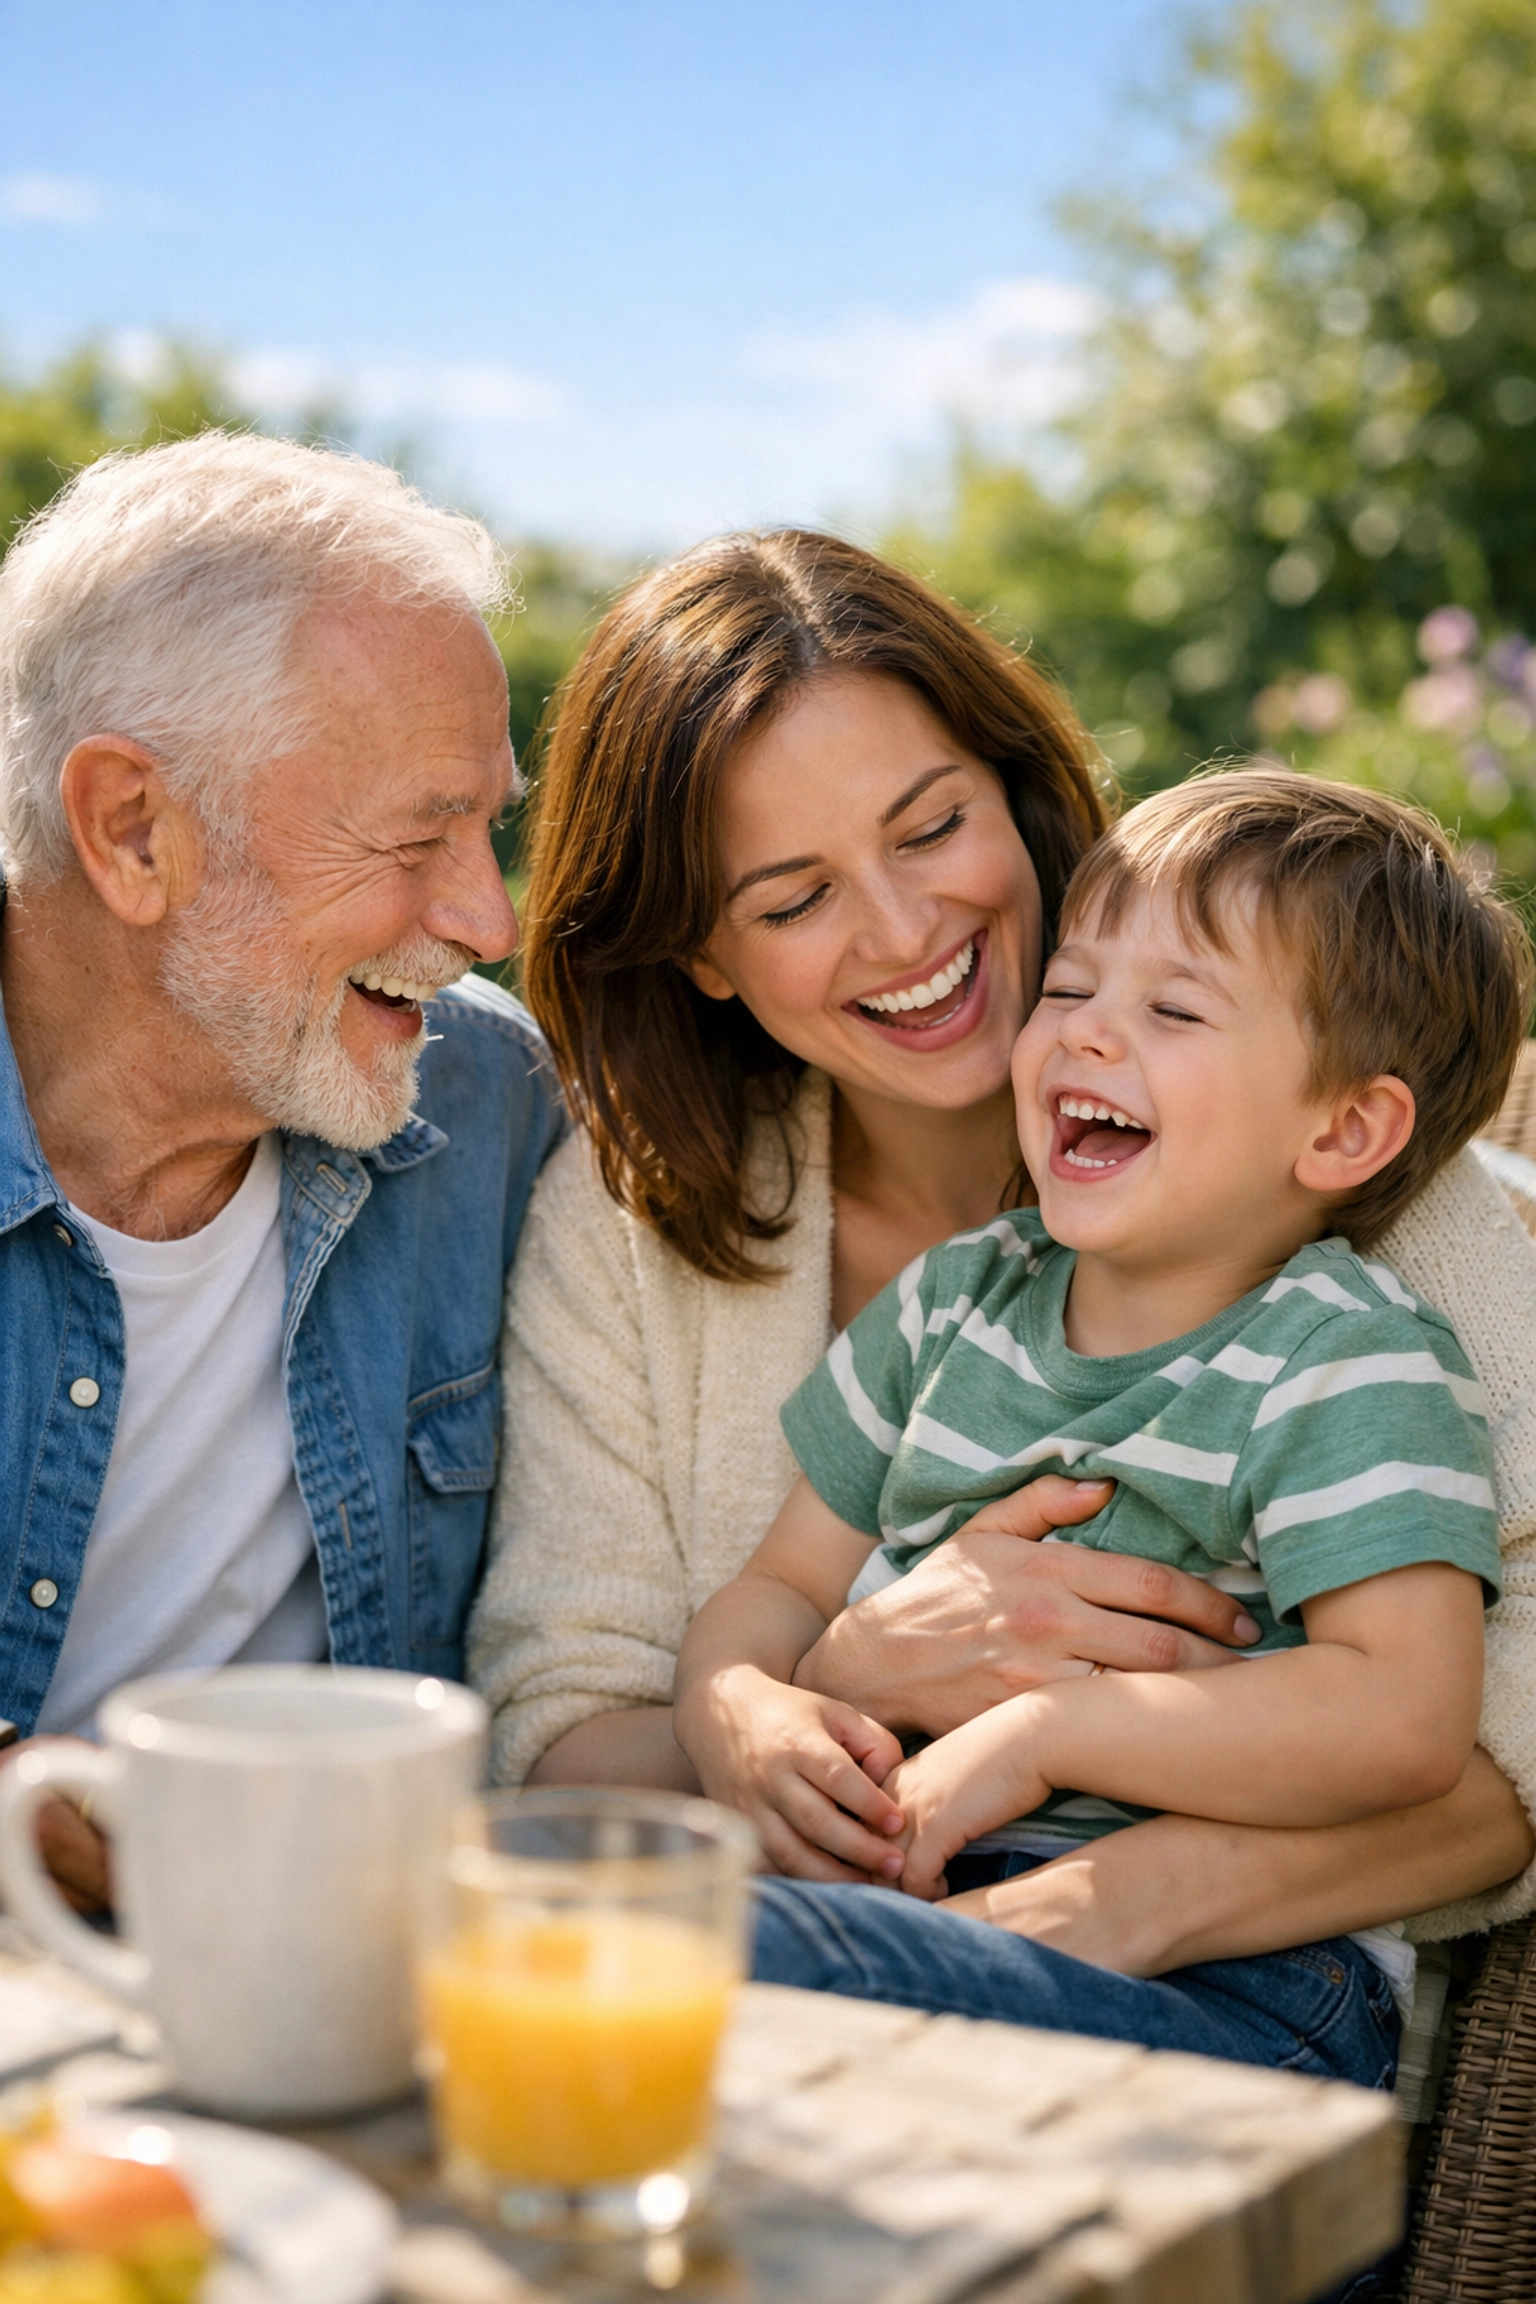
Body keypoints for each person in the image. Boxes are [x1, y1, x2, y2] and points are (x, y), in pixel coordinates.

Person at [468, 528, 1536, 1992]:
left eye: (927, 828)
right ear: (704, 955)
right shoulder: (741, 1254)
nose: (905, 929)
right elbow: (564, 1739)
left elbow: (1479, 1709)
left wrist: (1126, 1877)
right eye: (792, 900)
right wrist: (817, 1686)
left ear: (1016, 797)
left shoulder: (1336, 1200)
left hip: (1221, 1987)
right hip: (876, 1914)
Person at [675, 770, 1527, 2088]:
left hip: (1243, 1992)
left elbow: (1405, 1719)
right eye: (1069, 989)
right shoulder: (955, 1305)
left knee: (726, 1971)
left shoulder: (1342, 1360)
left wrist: (1047, 1734)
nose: (1084, 1035)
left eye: (1174, 1009)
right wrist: (742, 1711)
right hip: (912, 1902)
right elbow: (779, 1589)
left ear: (1346, 1127)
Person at [0, 433, 562, 1908]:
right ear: (133, 830)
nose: (485, 919)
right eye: (417, 834)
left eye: (486, 824)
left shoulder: (487, 1095)